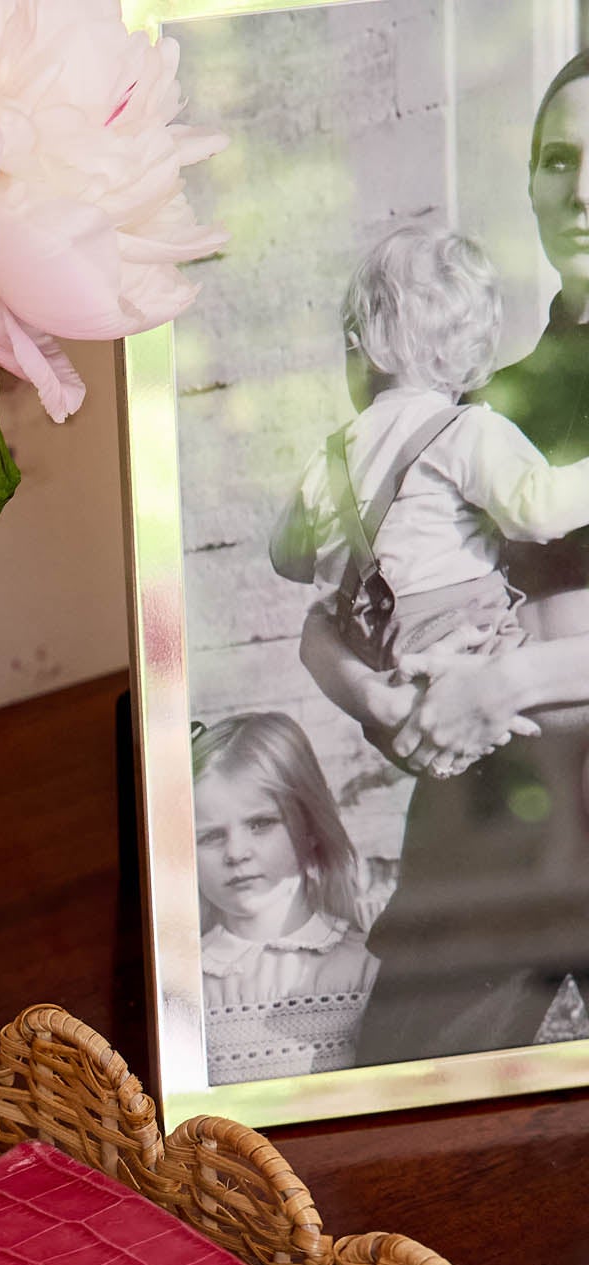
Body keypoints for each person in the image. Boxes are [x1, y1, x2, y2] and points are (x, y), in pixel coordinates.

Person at [301, 53, 589, 1066]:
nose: (582, 190)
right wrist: (370, 698)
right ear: (528, 183)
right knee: (380, 1139)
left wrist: (505, 678)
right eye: (559, 160)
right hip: (484, 830)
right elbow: (334, 607)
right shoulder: (467, 410)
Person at [272, 227, 589, 670]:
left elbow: (287, 559)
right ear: (471, 351)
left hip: (372, 656)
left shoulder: (328, 458)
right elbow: (537, 511)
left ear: (358, 348)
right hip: (465, 639)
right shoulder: (465, 429)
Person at [194, 714, 377, 1084]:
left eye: (260, 824)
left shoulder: (366, 965)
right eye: (211, 836)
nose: (237, 852)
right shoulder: (187, 981)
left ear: (308, 825)